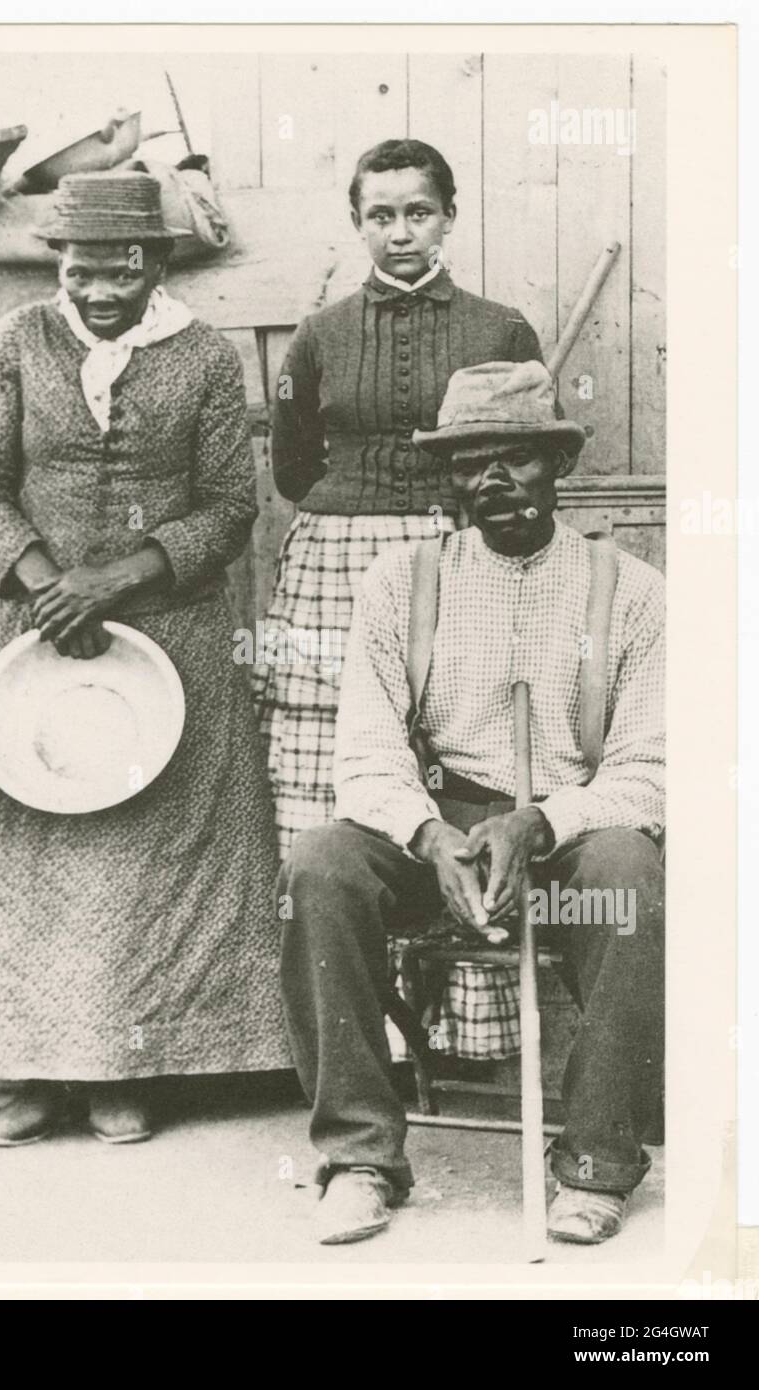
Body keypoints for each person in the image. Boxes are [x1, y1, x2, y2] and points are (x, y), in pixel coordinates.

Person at [0, 172, 290, 1146]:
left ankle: (126, 1069)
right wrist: (44, 582)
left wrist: (109, 583)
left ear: (156, 262)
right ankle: (29, 1075)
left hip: (163, 630)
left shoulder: (200, 356)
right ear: (59, 267)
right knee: (23, 844)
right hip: (30, 629)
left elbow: (228, 508)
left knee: (137, 857)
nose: (98, 290)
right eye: (79, 270)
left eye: (120, 269)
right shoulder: (19, 344)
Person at [278, 360, 665, 1246]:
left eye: (515, 458)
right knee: (320, 864)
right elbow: (368, 756)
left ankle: (597, 1164)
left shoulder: (634, 593)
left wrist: (539, 823)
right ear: (446, 477)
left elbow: (652, 768)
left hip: (567, 848)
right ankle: (361, 1157)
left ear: (556, 464)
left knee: (632, 872)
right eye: (467, 462)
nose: (491, 481)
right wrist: (426, 835)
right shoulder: (398, 584)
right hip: (442, 845)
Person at [254, 138, 545, 1063]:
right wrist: (361, 516)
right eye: (380, 215)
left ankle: (472, 1020)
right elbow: (295, 465)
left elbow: (524, 452)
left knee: (460, 759)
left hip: (463, 554)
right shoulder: (321, 333)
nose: (400, 231)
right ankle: (357, 1023)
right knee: (328, 775)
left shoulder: (500, 329)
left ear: (449, 217)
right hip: (336, 561)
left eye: (418, 211)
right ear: (358, 225)